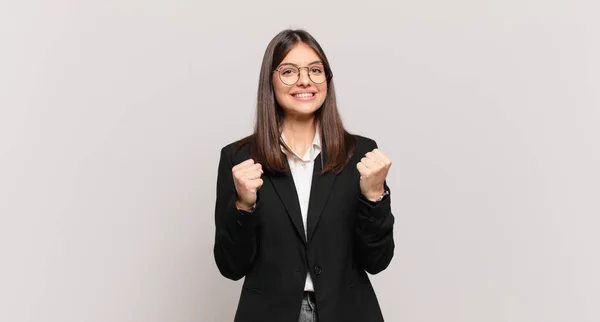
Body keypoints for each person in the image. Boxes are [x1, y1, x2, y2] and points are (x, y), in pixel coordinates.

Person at [213, 29, 395, 322]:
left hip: (347, 312)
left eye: (315, 70)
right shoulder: (239, 158)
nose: (304, 80)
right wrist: (243, 206)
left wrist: (374, 197)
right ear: (270, 81)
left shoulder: (361, 153)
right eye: (289, 71)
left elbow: (377, 260)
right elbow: (230, 266)